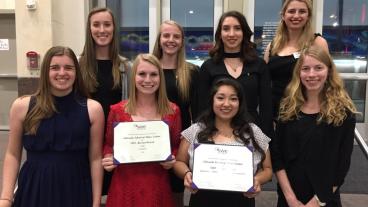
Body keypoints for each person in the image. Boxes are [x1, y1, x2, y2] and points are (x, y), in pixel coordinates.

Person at [0, 46, 104, 207]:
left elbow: (95, 159)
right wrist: (6, 198)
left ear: (76, 72)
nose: (62, 73)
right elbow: (13, 154)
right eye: (55, 68)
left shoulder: (93, 109)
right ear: (45, 72)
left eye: (68, 68)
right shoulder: (22, 106)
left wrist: (96, 202)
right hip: (35, 186)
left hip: (75, 187)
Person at [271, 46, 357, 207]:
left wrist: (316, 202)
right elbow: (278, 157)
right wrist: (290, 198)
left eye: (318, 68)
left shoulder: (343, 114)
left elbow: (341, 166)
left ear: (329, 71)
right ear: (299, 73)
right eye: (305, 68)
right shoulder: (287, 108)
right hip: (289, 198)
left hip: (324, 199)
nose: (311, 74)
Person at [174, 78, 272, 207]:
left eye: (233, 98)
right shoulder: (196, 130)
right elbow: (179, 162)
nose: (226, 104)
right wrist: (187, 174)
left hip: (241, 201)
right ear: (212, 100)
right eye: (220, 98)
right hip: (202, 200)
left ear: (240, 103)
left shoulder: (253, 131)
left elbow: (268, 169)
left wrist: (256, 180)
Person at [101, 54, 182, 207]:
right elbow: (109, 145)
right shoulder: (117, 110)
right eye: (142, 74)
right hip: (124, 187)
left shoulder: (173, 111)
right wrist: (108, 157)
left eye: (153, 74)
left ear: (160, 77)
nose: (147, 80)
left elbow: (176, 146)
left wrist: (172, 159)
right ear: (133, 77)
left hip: (157, 186)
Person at [79, 7, 131, 195]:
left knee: (113, 193)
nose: (102, 30)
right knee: (86, 193)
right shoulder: (78, 65)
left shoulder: (125, 66)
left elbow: (131, 107)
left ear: (114, 28)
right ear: (89, 29)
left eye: (107, 24)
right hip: (84, 142)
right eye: (96, 25)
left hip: (115, 142)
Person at [197, 10, 273, 138]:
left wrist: (265, 139)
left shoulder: (259, 65)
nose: (231, 34)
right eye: (226, 29)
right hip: (217, 135)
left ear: (244, 32)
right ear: (220, 34)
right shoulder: (208, 67)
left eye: (237, 28)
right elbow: (201, 109)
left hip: (252, 133)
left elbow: (267, 108)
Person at [152, 20, 199, 207]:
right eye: (166, 35)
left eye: (176, 36)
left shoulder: (192, 72)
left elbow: (198, 114)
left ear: (182, 41)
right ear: (159, 39)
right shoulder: (149, 70)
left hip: (180, 142)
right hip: (150, 139)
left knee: (176, 192)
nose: (171, 40)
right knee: (151, 188)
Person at [263, 0, 329, 119]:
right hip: (276, 112)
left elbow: (328, 79)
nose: (296, 16)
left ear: (308, 16)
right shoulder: (272, 46)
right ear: (283, 15)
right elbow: (265, 82)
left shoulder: (318, 42)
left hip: (306, 112)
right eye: (291, 11)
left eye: (302, 11)